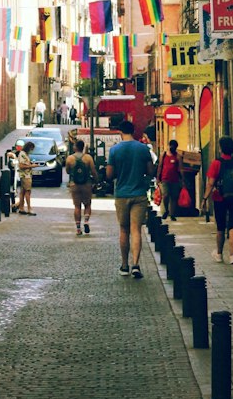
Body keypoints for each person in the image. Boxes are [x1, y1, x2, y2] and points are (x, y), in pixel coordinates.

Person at [106, 119, 155, 279]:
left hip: (122, 194)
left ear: (120, 132)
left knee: (124, 230)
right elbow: (150, 171)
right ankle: (136, 265)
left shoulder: (114, 150)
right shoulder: (143, 149)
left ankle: (124, 265)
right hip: (139, 194)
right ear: (133, 131)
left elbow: (109, 174)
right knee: (136, 230)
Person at [204, 135, 233, 264]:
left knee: (220, 227)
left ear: (221, 148)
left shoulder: (216, 163)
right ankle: (232, 256)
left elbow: (211, 183)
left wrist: (204, 198)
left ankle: (219, 254)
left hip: (220, 198)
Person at [65, 137, 97, 235]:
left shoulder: (70, 158)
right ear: (83, 147)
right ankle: (86, 221)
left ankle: (78, 229)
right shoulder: (88, 158)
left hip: (74, 184)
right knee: (87, 204)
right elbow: (93, 171)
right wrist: (96, 181)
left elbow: (67, 171)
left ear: (75, 147)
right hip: (86, 184)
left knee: (77, 206)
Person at [157, 139, 185, 221]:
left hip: (175, 180)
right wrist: (158, 177)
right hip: (165, 179)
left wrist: (183, 180)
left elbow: (180, 169)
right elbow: (160, 166)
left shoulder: (178, 157)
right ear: (168, 146)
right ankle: (166, 210)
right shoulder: (164, 155)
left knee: (174, 197)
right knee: (165, 195)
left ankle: (172, 214)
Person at [16, 140, 35, 214]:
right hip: (25, 175)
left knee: (23, 192)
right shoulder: (22, 154)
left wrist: (30, 164)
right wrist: (32, 166)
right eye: (31, 149)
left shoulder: (25, 154)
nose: (32, 151)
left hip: (26, 175)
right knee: (28, 191)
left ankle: (21, 207)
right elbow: (21, 165)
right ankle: (29, 208)